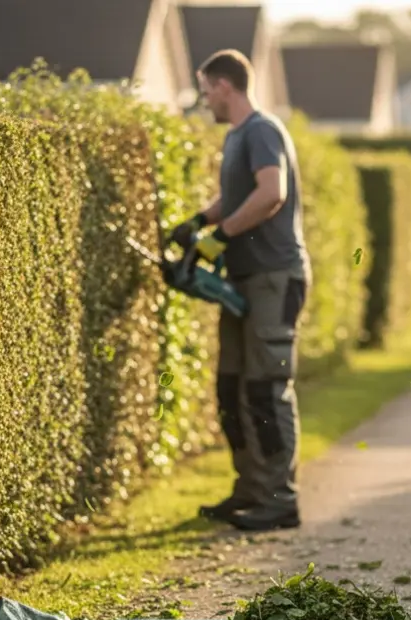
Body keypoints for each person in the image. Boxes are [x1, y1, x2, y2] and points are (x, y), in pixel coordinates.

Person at [168, 49, 311, 532]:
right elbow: (237, 195)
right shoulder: (237, 137)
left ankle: (280, 499)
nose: (204, 99)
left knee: (266, 389)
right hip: (244, 277)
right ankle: (250, 488)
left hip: (275, 276)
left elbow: (271, 193)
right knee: (231, 386)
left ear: (224, 86)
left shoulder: (262, 130)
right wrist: (198, 222)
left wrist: (220, 237)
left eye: (206, 90)